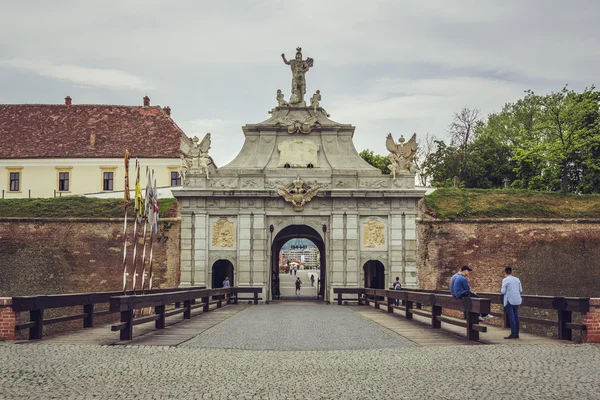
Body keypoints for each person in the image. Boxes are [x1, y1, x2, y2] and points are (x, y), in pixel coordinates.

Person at [501, 267, 522, 339]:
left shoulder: (505, 280)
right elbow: (520, 290)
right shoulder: (517, 279)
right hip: (517, 300)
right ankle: (517, 334)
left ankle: (513, 333)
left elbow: (503, 291)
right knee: (516, 317)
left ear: (505, 272)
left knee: (511, 317)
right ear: (511, 272)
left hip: (509, 300)